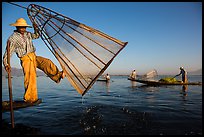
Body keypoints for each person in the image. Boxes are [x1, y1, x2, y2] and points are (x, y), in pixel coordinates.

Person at [3, 18, 66, 103]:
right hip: (25, 59)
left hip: (33, 56)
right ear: (17, 27)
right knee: (30, 77)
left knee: (47, 62)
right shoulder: (12, 39)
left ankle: (58, 75)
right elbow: (8, 53)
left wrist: (36, 28)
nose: (23, 29)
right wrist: (6, 64)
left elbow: (36, 36)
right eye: (21, 27)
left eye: (24, 27)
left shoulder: (27, 34)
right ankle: (30, 98)